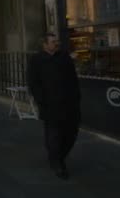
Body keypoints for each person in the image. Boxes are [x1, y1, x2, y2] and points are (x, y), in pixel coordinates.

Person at [28, 33, 81, 180]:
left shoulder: (64, 57)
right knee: (53, 135)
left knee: (71, 133)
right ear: (45, 45)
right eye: (53, 42)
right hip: (50, 105)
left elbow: (73, 79)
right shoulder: (36, 60)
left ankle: (58, 156)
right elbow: (33, 83)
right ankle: (57, 163)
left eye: (57, 41)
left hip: (69, 104)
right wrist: (42, 101)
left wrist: (76, 98)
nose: (56, 43)